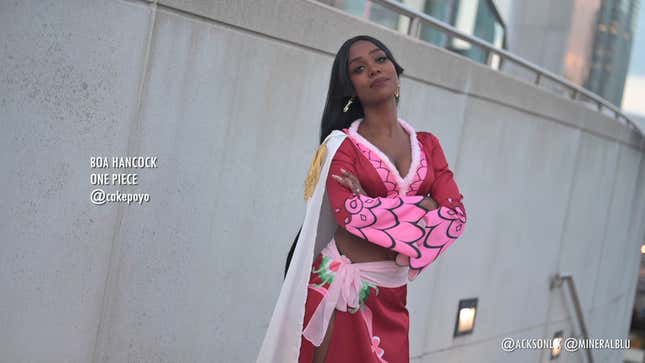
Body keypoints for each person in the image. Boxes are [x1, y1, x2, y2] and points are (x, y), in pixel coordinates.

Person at [257, 35, 467, 363]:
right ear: (350, 88)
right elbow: (351, 215)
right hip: (337, 286)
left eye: (380, 60)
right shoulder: (342, 146)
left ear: (396, 72)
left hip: (392, 295)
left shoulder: (428, 145)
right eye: (359, 68)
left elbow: (455, 218)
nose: (373, 69)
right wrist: (425, 208)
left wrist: (374, 204)